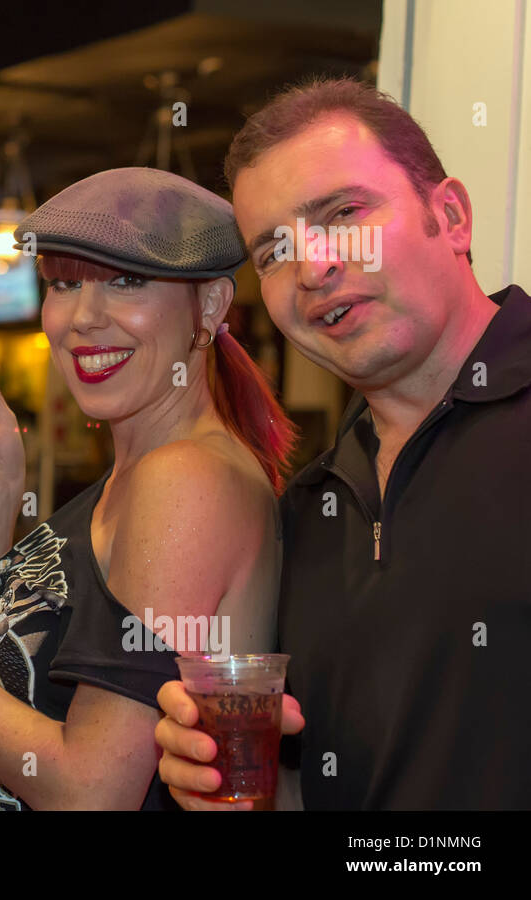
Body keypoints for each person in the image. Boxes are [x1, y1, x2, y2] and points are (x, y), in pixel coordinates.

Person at [0, 167, 296, 809]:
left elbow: (92, 790)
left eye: (126, 281)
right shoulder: (131, 476)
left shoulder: (188, 479)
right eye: (64, 283)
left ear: (209, 305)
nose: (84, 318)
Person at [155, 77, 531, 809]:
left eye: (344, 214)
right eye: (273, 251)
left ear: (449, 216)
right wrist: (228, 784)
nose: (314, 267)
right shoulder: (309, 507)